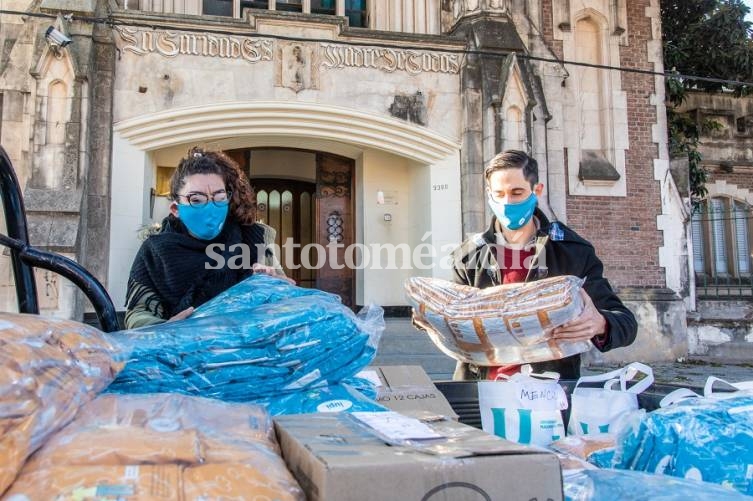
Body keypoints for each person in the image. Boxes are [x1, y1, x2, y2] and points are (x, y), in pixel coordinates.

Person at [451, 150, 637, 380]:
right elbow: (453, 319)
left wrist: (600, 323)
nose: (507, 202)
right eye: (499, 194)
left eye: (517, 192)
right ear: (489, 195)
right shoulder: (468, 256)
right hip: (480, 392)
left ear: (537, 190)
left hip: (550, 393)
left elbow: (626, 324)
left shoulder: (572, 252)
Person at [125, 147, 286, 329]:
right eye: (196, 200)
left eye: (219, 197)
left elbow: (282, 299)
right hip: (182, 351)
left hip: (246, 349)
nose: (210, 208)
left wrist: (272, 284)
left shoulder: (255, 240)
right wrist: (164, 329)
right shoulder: (155, 250)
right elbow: (138, 313)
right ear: (176, 209)